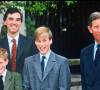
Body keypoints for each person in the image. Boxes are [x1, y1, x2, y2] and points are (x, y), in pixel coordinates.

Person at [0, 7, 38, 74]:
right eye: (11, 19)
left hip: (25, 84)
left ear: (20, 23)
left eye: (17, 20)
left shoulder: (31, 43)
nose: (14, 23)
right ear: (5, 22)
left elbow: (35, 69)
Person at [80, 12, 100, 90]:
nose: (99, 30)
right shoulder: (84, 52)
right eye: (96, 27)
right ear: (90, 29)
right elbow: (84, 83)